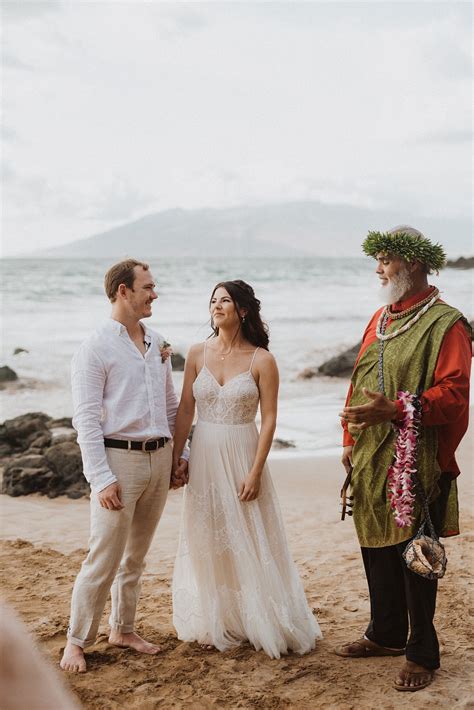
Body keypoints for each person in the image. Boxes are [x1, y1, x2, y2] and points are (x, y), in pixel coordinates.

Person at [336, 226, 471, 691]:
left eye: (385, 261)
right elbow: (358, 381)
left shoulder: (446, 322)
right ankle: (386, 632)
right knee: (375, 546)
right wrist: (349, 439)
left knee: (417, 553)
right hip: (372, 453)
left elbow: (454, 396)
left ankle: (422, 652)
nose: (378, 269)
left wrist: (395, 410)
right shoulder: (380, 319)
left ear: (412, 265)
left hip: (420, 458)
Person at [171, 280, 321, 658]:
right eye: (213, 300)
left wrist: (256, 471)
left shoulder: (262, 360)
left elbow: (269, 420)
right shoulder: (194, 353)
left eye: (226, 300)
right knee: (208, 534)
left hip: (242, 452)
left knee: (249, 535)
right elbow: (186, 410)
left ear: (243, 311)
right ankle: (216, 617)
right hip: (203, 452)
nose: (217, 305)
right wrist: (178, 457)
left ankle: (258, 617)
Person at [60, 259, 188, 673]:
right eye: (148, 287)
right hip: (119, 461)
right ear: (123, 291)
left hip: (159, 456)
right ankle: (76, 641)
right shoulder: (95, 347)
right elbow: (86, 419)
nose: (155, 293)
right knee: (103, 556)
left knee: (136, 556)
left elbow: (171, 405)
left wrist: (179, 456)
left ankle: (123, 628)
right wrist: (101, 478)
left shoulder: (158, 343)